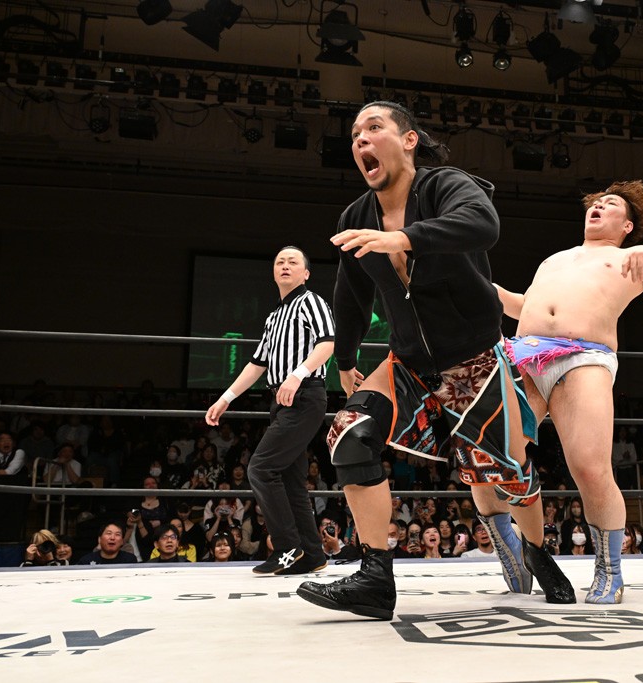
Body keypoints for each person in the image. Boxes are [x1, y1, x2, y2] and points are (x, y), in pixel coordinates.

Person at [296, 100, 574, 621]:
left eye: (373, 128)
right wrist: (346, 357)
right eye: (354, 134)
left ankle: (537, 551)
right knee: (349, 434)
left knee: (509, 475)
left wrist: (403, 238)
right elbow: (351, 293)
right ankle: (375, 578)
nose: (360, 140)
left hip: (474, 360)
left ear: (409, 140)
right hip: (407, 361)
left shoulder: (445, 186)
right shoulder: (356, 217)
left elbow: (483, 224)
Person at [495, 180, 643, 603]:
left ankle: (609, 568)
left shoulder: (630, 260)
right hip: (523, 354)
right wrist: (486, 291)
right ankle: (513, 546)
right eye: (596, 202)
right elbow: (524, 305)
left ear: (628, 225)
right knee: (493, 454)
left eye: (611, 203)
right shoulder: (554, 260)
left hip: (582, 356)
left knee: (590, 467)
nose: (599, 206)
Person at [205, 245, 335, 577]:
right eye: (280, 262)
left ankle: (287, 547)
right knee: (290, 480)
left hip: (304, 394)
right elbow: (257, 363)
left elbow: (328, 342)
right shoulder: (274, 316)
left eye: (293, 262)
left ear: (306, 273)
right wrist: (226, 398)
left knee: (261, 469)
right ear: (274, 272)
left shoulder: (312, 302)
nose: (285, 265)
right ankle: (312, 554)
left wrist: (297, 374)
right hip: (281, 399)